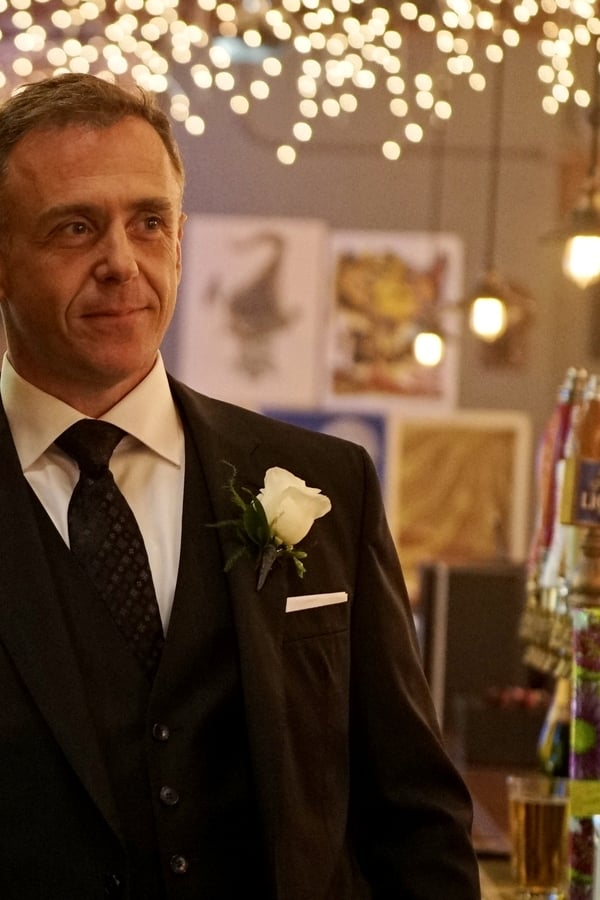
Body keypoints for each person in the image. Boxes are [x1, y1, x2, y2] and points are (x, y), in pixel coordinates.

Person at [0, 73, 481, 899]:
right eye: (75, 227)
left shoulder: (328, 485)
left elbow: (413, 818)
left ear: (180, 241)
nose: (121, 262)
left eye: (149, 222)